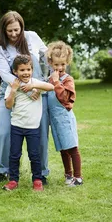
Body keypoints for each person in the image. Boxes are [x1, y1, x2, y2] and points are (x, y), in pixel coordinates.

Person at [0, 11, 50, 184]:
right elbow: (6, 75)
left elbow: (47, 59)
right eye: (9, 31)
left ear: (22, 27)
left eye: (16, 30)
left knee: (40, 133)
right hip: (12, 92)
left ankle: (41, 173)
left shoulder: (32, 37)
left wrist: (42, 83)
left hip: (37, 93)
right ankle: (2, 170)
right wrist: (28, 89)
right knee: (3, 132)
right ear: (4, 30)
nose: (13, 34)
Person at [3, 55, 54, 191]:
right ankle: (13, 180)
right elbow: (8, 105)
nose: (25, 73)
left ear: (32, 69)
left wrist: (34, 86)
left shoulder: (35, 83)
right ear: (15, 72)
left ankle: (37, 180)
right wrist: (13, 90)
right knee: (14, 154)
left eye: (28, 69)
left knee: (34, 155)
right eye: (22, 70)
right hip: (17, 126)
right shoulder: (13, 85)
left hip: (33, 127)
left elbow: (50, 86)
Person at [46, 41, 83, 187]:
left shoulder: (67, 79)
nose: (60, 68)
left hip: (65, 118)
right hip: (55, 120)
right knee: (63, 148)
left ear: (67, 62)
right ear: (50, 63)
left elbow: (64, 98)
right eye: (56, 65)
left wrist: (56, 83)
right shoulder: (50, 79)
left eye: (62, 64)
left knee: (72, 147)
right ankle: (68, 175)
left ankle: (78, 177)